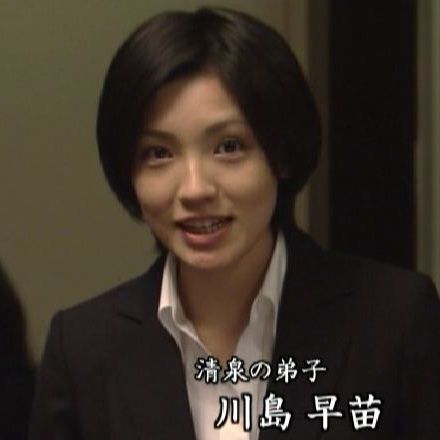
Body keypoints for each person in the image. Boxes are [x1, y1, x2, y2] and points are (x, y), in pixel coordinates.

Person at [30, 7, 440, 440]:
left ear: (281, 154)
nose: (194, 189)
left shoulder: (394, 321)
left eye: (229, 146)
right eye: (158, 153)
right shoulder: (83, 349)